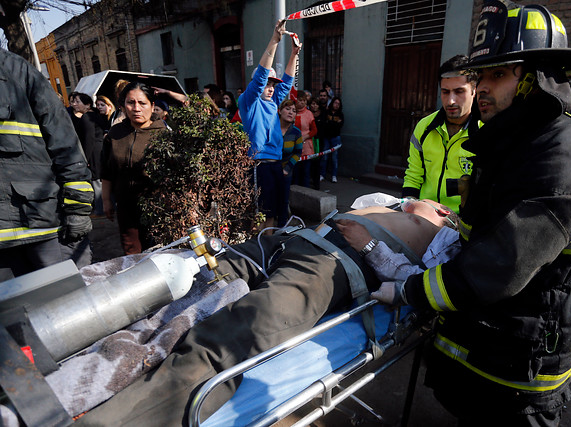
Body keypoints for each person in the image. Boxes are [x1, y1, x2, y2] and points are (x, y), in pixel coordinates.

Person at [372, 1, 571, 425]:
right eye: (481, 75)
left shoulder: (560, 158)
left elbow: (499, 265)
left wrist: (412, 292)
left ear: (536, 79)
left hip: (521, 360)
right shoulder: (508, 141)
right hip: (486, 335)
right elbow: (476, 231)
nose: (481, 87)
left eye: (498, 74)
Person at [74, 199, 455, 426]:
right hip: (287, 239)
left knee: (229, 340)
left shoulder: (450, 239)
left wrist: (369, 243)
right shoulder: (398, 200)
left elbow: (419, 286)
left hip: (334, 265)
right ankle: (77, 321)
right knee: (180, 274)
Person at [0, 48, 94, 281]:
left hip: (42, 226)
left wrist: (77, 209)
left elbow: (65, 143)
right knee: (13, 315)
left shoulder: (16, 70)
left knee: (69, 303)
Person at [237, 19, 301, 232]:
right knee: (260, 214)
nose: (271, 88)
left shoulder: (274, 102)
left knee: (276, 211)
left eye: (273, 85)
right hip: (259, 165)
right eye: (267, 84)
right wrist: (275, 40)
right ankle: (259, 249)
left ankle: (272, 245)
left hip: (276, 163)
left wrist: (294, 54)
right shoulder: (249, 102)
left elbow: (288, 80)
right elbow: (262, 74)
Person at [402, 55, 481, 213]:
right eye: (445, 92)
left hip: (465, 220)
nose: (451, 101)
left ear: (474, 91)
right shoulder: (424, 127)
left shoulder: (486, 132)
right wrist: (408, 208)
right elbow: (413, 175)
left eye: (459, 91)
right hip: (424, 215)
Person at [101, 82, 167, 255]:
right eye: (131, 103)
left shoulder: (164, 135)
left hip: (157, 207)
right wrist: (106, 200)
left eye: (142, 103)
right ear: (123, 107)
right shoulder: (115, 134)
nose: (136, 108)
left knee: (159, 252)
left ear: (152, 106)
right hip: (126, 205)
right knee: (132, 253)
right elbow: (107, 170)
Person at [278, 99, 303, 227]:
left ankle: (281, 226)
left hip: (285, 171)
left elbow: (298, 153)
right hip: (269, 168)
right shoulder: (272, 128)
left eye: (294, 111)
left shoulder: (296, 132)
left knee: (283, 200)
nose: (290, 113)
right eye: (288, 109)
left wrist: (287, 168)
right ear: (280, 111)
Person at [292, 94, 317, 187]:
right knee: (295, 172)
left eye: (303, 100)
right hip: (294, 147)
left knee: (306, 172)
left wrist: (304, 137)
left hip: (306, 147)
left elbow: (314, 130)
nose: (302, 102)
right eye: (299, 100)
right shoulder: (292, 112)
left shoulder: (309, 114)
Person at [320, 97, 344, 183]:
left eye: (338, 104)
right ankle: (322, 174)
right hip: (326, 137)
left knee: (334, 158)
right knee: (324, 156)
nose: (336, 105)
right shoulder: (327, 112)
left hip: (335, 138)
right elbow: (325, 124)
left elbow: (339, 126)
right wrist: (333, 124)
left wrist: (330, 123)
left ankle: (334, 175)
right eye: (335, 103)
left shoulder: (340, 114)